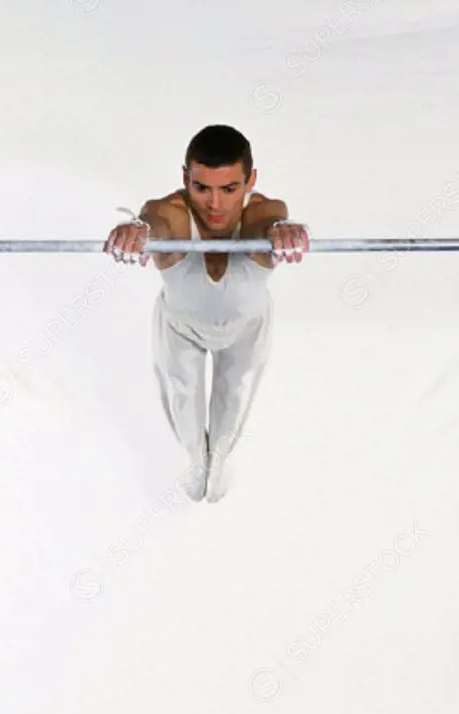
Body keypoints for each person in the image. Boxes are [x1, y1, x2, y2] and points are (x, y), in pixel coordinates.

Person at [105, 124, 309, 502]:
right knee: (187, 421)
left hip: (248, 328)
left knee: (230, 419)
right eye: (202, 188)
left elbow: (268, 221)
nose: (215, 204)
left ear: (250, 182)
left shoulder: (265, 212)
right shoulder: (170, 211)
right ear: (186, 179)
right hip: (179, 328)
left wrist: (282, 232)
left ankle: (219, 472)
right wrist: (140, 231)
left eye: (230, 189)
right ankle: (193, 468)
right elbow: (159, 223)